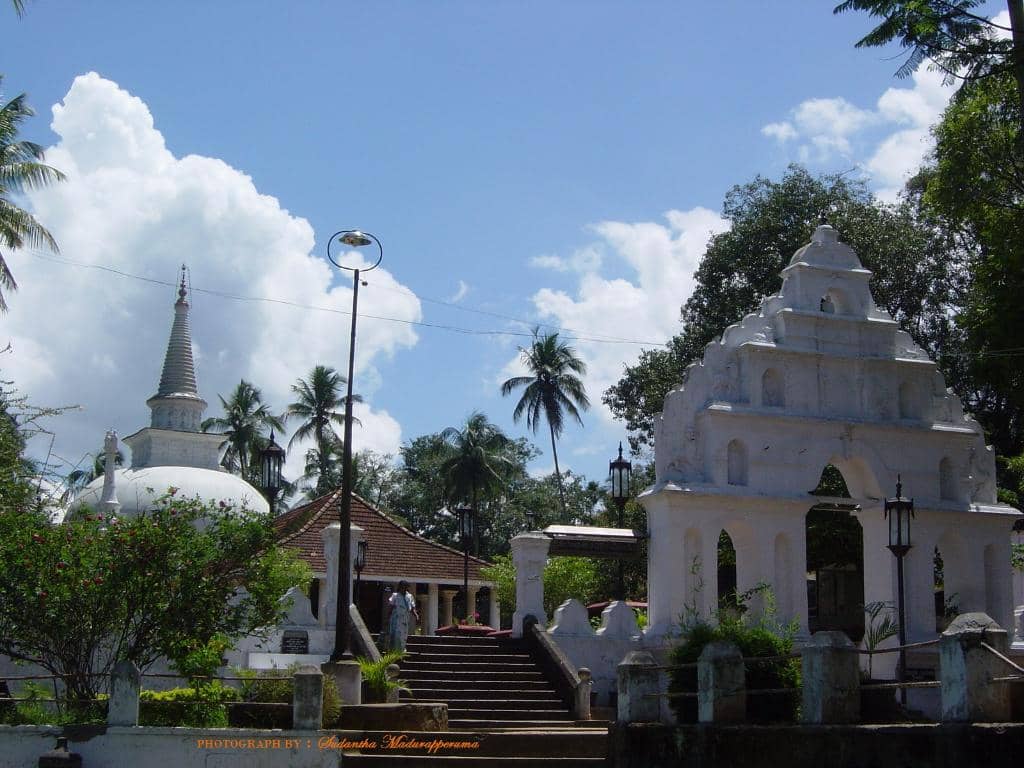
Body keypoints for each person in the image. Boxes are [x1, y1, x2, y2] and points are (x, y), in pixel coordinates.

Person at [385, 581, 419, 652]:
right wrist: (387, 619)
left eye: (405, 587)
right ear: (400, 587)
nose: (404, 588)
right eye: (402, 587)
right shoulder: (395, 596)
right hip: (396, 620)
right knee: (396, 636)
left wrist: (416, 615)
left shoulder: (409, 596)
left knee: (403, 637)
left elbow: (412, 608)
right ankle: (394, 653)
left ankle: (401, 652)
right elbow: (390, 608)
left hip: (405, 620)